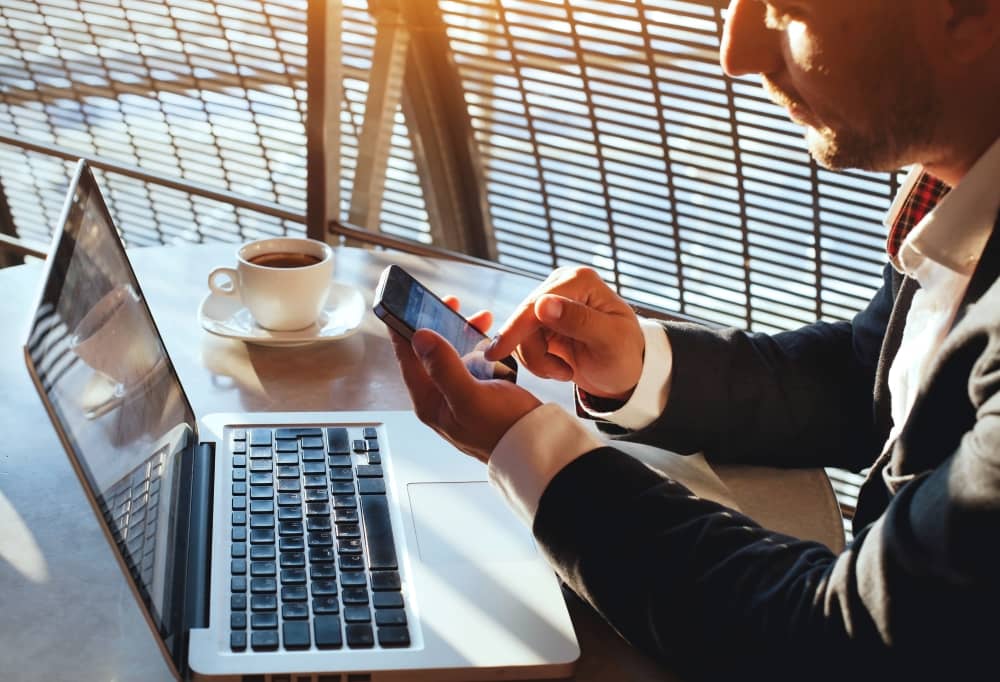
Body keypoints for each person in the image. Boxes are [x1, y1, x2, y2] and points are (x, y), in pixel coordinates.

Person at [389, 1, 1000, 679]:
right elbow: (869, 380)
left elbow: (843, 641)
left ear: (968, 14)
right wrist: (639, 366)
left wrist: (532, 454)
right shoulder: (958, 192)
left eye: (783, 8)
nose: (734, 54)